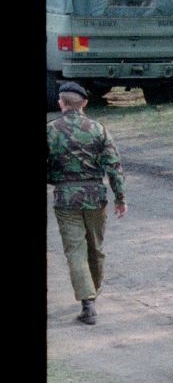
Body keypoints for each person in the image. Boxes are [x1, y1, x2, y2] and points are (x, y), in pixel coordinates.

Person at [46, 81, 127, 325]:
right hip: (95, 196)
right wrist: (120, 198)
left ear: (61, 103)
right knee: (96, 248)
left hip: (65, 198)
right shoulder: (98, 129)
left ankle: (87, 301)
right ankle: (92, 294)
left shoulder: (50, 129)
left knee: (75, 250)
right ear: (85, 104)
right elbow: (114, 166)